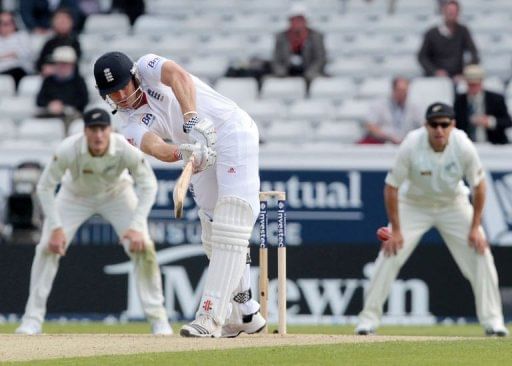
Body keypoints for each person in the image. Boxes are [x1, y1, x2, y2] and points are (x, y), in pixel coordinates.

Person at [92, 51, 265, 338]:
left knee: (232, 217)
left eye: (124, 85)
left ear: (135, 76)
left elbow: (178, 76)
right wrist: (182, 152)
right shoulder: (128, 124)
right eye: (112, 93)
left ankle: (210, 317)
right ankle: (245, 311)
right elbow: (157, 148)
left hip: (231, 130)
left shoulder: (148, 65)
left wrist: (191, 119)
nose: (121, 96)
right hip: (198, 148)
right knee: (212, 228)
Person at [355, 102, 508, 337]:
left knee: (481, 253)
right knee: (389, 254)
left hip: (453, 204)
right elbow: (391, 187)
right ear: (426, 126)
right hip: (414, 204)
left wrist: (476, 227)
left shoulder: (463, 145)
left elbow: (479, 186)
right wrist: (396, 229)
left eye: (444, 125)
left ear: (452, 125)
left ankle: (493, 322)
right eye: (434, 124)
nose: (439, 130)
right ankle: (367, 321)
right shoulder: (411, 144)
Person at [15, 108, 172, 336]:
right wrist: (56, 227)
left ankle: (159, 320)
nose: (98, 135)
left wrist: (137, 227)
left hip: (117, 194)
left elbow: (149, 184)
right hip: (74, 195)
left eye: (102, 129)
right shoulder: (68, 149)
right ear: (85, 131)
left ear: (110, 130)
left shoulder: (124, 147)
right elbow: (45, 187)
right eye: (93, 129)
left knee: (143, 247)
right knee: (47, 247)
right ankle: (32, 320)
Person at [418, 0, 479, 80]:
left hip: (458, 78)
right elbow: (422, 56)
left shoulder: (463, 31)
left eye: (454, 12)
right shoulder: (432, 33)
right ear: (444, 12)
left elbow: (474, 53)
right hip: (437, 78)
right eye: (450, 12)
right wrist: (435, 71)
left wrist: (465, 73)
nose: (452, 15)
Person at [454, 64, 512, 144]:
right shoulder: (460, 100)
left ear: (481, 82)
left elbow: (507, 122)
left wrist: (490, 121)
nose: (473, 87)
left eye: (475, 84)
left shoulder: (496, 99)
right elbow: (456, 124)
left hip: (494, 144)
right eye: (470, 84)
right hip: (468, 144)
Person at [36, 46, 88, 129]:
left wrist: (63, 106)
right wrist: (50, 104)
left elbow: (83, 101)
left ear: (72, 65)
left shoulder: (79, 81)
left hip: (70, 115)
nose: (62, 66)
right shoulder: (48, 80)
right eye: (60, 63)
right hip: (50, 113)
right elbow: (39, 100)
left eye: (66, 64)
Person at [272, 4, 326, 83]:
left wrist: (310, 73)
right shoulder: (281, 37)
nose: (296, 23)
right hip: (287, 72)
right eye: (293, 20)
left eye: (299, 19)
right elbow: (276, 59)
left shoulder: (316, 37)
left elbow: (320, 59)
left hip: (309, 74)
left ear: (306, 21)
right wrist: (281, 72)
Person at [360, 77, 423, 144]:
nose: (402, 93)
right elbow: (370, 125)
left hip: (407, 143)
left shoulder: (414, 106)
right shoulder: (380, 104)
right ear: (393, 90)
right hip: (383, 142)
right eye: (399, 90)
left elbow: (423, 124)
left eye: (404, 90)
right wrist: (388, 137)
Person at [35, 8, 81, 76]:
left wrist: (54, 70)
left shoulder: (74, 43)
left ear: (71, 23)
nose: (61, 22)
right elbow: (39, 64)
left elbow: (75, 66)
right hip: (47, 80)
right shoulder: (49, 43)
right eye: (58, 19)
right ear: (53, 22)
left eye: (65, 19)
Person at [0, 11, 34, 90]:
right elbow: (14, 54)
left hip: (18, 70)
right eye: (1, 22)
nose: (3, 26)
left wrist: (6, 56)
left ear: (14, 24)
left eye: (7, 23)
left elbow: (26, 54)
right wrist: (12, 54)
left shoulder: (22, 36)